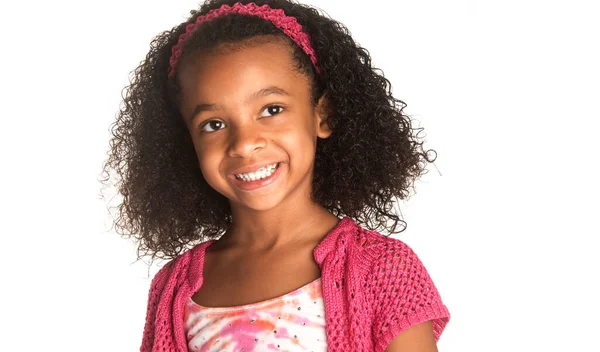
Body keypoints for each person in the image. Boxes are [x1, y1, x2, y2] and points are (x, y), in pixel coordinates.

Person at [101, 0, 450, 350]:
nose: (244, 143)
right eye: (214, 124)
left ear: (323, 116)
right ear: (187, 142)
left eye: (271, 110)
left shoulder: (384, 268)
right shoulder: (174, 289)